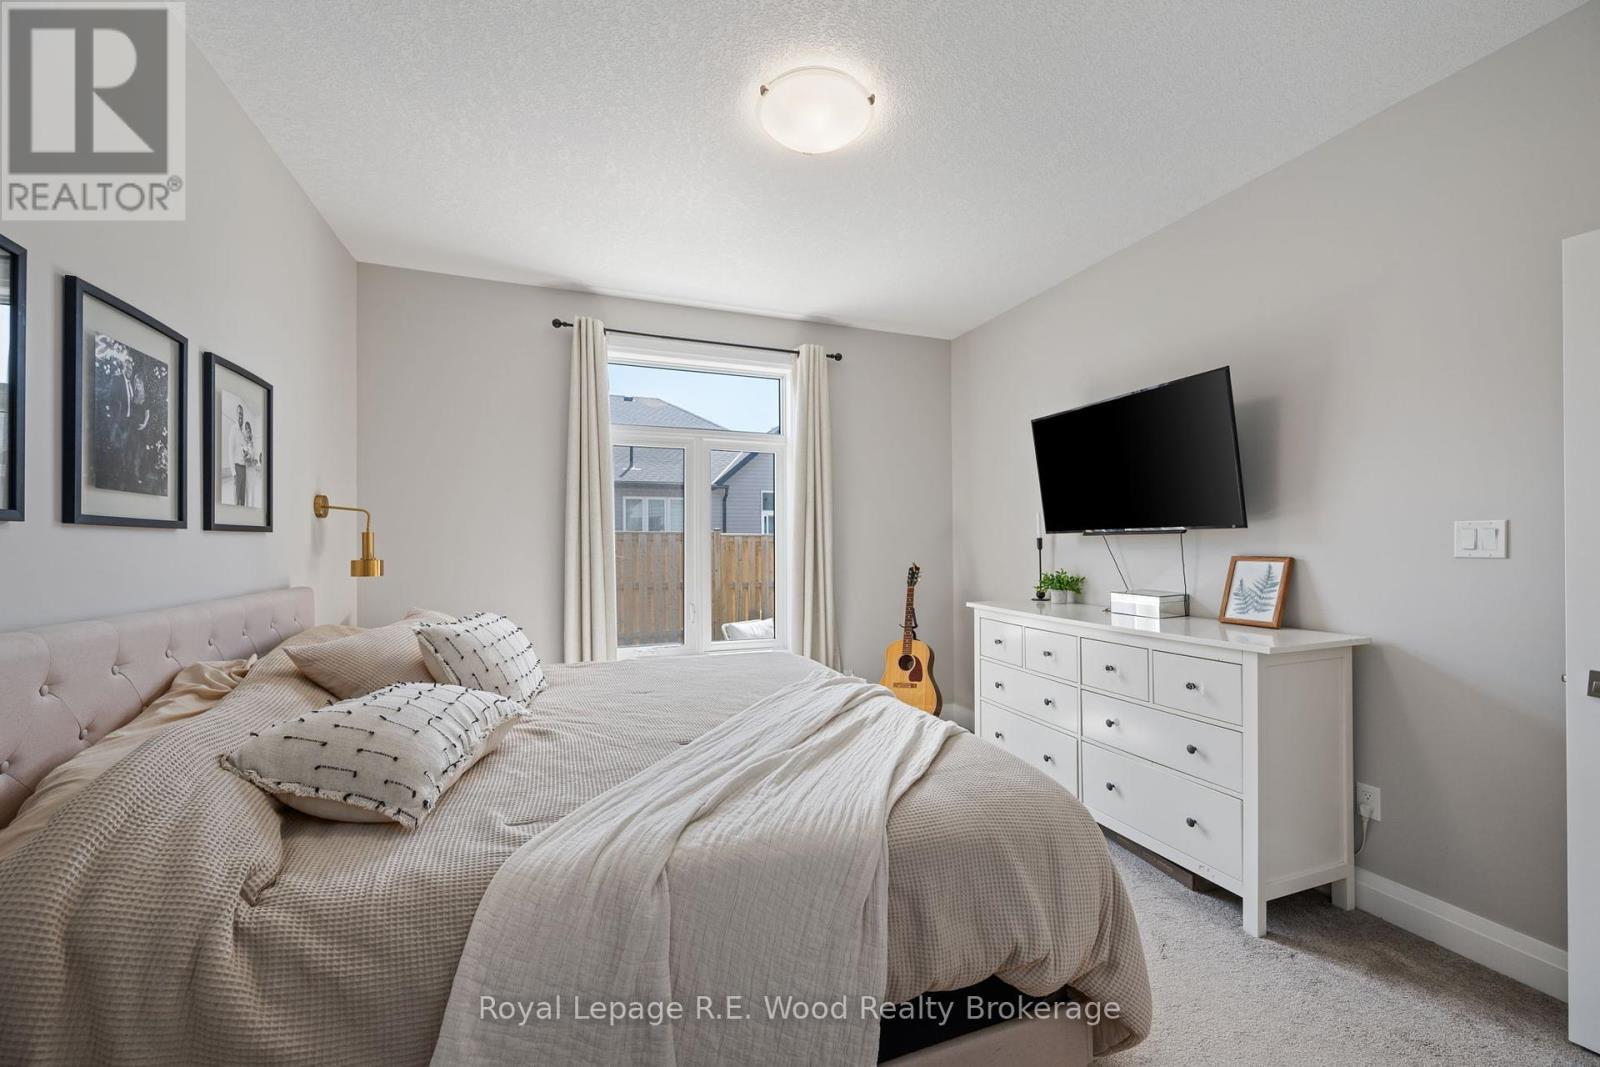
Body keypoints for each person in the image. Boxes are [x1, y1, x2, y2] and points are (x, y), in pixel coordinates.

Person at [225, 403, 249, 505]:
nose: (241, 416)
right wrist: (234, 473)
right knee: (236, 499)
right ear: (236, 415)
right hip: (237, 468)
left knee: (243, 499)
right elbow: (230, 452)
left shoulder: (243, 432)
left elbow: (245, 449)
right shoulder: (233, 430)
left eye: (242, 414)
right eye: (239, 414)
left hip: (244, 468)